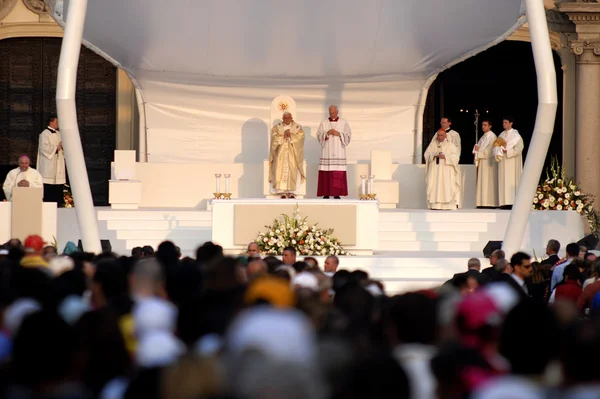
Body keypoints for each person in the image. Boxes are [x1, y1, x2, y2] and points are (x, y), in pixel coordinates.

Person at [316, 105, 352, 199]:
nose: (332, 114)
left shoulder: (343, 122)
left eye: (333, 113)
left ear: (337, 112)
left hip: (338, 150)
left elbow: (348, 136)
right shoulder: (324, 123)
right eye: (330, 113)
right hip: (327, 151)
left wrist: (339, 134)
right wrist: (327, 133)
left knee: (337, 173)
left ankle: (337, 194)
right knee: (326, 171)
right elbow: (319, 135)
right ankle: (326, 193)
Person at [269, 111, 305, 199]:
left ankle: (292, 192)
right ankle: (282, 192)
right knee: (280, 170)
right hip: (281, 153)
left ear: (291, 118)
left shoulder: (297, 127)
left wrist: (291, 136)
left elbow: (301, 137)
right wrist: (283, 136)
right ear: (283, 119)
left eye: (289, 118)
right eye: (285, 118)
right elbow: (274, 138)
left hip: (292, 153)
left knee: (292, 170)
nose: (287, 119)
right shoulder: (277, 127)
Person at [424, 129, 460, 210]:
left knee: (446, 186)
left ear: (445, 136)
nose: (439, 137)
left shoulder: (450, 145)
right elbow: (426, 155)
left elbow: (456, 158)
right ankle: (435, 205)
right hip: (435, 170)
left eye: (441, 135)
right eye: (438, 135)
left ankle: (447, 205)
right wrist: (434, 155)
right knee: (434, 185)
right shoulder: (433, 144)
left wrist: (445, 157)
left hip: (446, 170)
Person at [494, 116, 524, 209]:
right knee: (503, 181)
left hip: (512, 162)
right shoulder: (501, 135)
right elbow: (495, 146)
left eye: (506, 122)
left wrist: (508, 151)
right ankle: (504, 202)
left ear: (511, 123)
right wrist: (499, 150)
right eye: (503, 122)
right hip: (503, 161)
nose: (504, 124)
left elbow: (519, 148)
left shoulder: (516, 135)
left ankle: (512, 202)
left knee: (511, 180)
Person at [37, 115, 66, 205]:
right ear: (51, 122)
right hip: (48, 164)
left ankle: (59, 202)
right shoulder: (44, 134)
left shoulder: (59, 134)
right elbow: (44, 148)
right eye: (56, 122)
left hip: (58, 162)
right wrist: (57, 147)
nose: (58, 124)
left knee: (58, 183)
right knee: (48, 185)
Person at [473, 119, 498, 208]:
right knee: (482, 182)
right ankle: (481, 202)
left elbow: (490, 151)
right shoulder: (483, 137)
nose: (483, 126)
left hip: (488, 163)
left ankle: (489, 203)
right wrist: (476, 150)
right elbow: (478, 148)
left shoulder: (492, 137)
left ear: (490, 126)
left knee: (487, 182)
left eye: (485, 125)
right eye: (482, 125)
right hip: (482, 162)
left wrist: (478, 152)